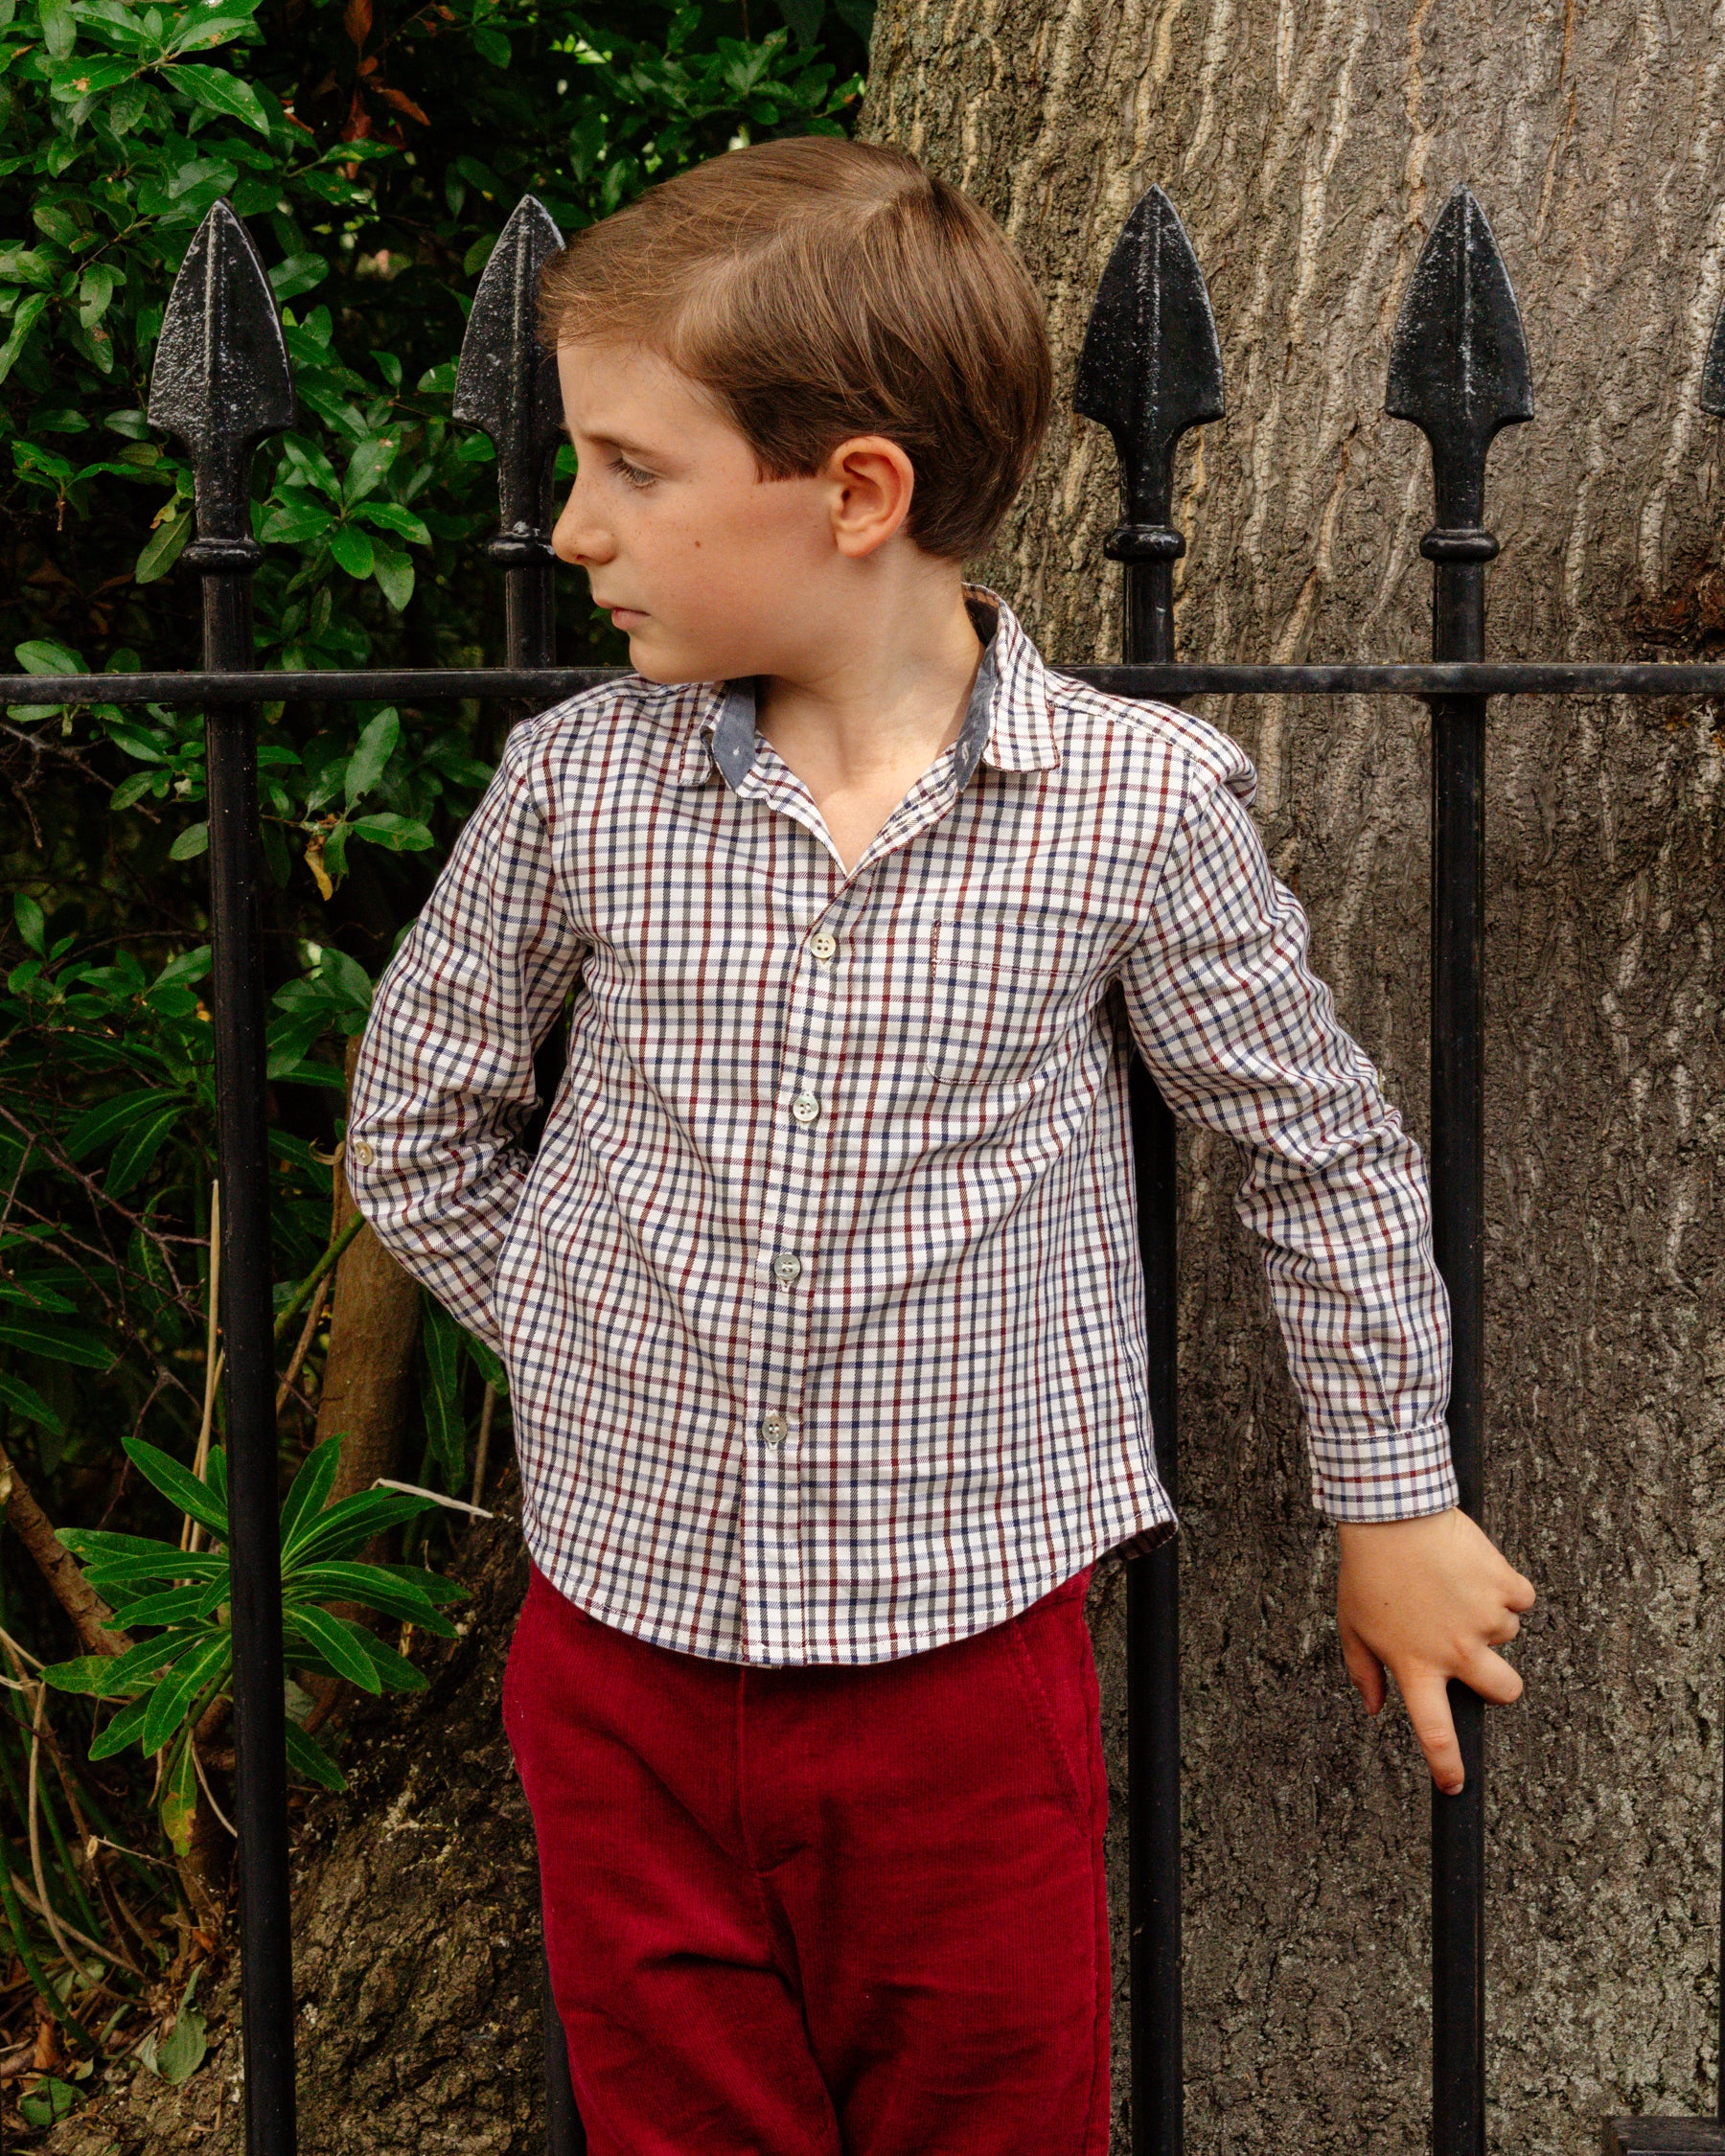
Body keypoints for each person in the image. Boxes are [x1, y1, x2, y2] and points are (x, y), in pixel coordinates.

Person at [345, 135, 1536, 2156]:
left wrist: (1390, 1495)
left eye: (631, 469)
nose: (568, 529)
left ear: (857, 493)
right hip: (617, 1665)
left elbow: (1316, 1152)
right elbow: (423, 1118)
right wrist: (597, 1327)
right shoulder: (578, 790)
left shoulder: (1133, 813)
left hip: (959, 1689)